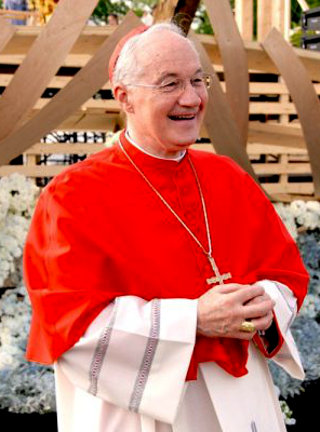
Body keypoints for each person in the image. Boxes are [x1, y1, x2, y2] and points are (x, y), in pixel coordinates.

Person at [24, 23, 309, 432]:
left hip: (242, 397)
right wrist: (192, 319)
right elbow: (69, 327)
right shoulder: (72, 196)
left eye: (197, 80)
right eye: (169, 83)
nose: (191, 98)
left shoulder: (228, 177)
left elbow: (285, 275)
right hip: (143, 411)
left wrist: (263, 303)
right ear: (125, 97)